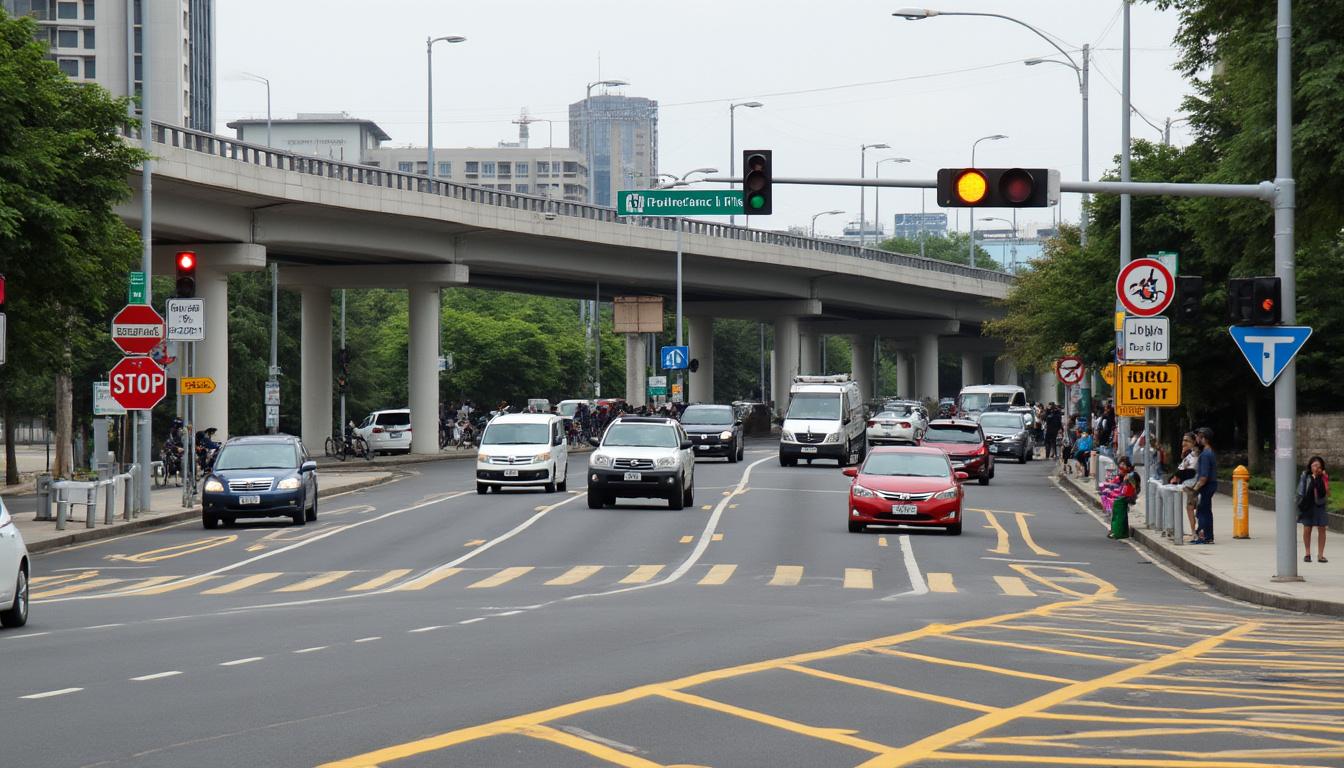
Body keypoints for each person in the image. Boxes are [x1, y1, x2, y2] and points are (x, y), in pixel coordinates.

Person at [1298, 456, 1329, 563]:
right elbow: (1301, 492)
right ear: (1310, 466)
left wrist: (1321, 478)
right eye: (1314, 465)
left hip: (1320, 505)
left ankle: (1321, 555)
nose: (1316, 468)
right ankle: (1307, 553)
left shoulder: (1323, 476)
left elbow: (1326, 492)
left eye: (1319, 466)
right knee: (1307, 528)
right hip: (1308, 504)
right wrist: (1313, 478)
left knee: (1322, 528)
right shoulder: (1305, 476)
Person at [1190, 427, 1218, 544]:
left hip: (1206, 486)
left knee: (1202, 511)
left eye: (1198, 436)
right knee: (1206, 510)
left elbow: (1203, 477)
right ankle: (1208, 536)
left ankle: (1204, 536)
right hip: (1210, 485)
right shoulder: (1208, 452)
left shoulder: (1205, 455)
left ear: (1204, 439)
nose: (1196, 438)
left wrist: (1194, 490)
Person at [1169, 432, 1200, 537]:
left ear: (1194, 442)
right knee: (1190, 508)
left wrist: (1178, 475)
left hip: (1194, 486)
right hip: (1188, 485)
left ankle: (1197, 531)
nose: (1184, 443)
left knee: (1193, 508)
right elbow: (1181, 469)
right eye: (1183, 440)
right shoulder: (1189, 454)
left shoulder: (1196, 454)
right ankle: (1194, 531)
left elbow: (1190, 470)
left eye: (1187, 440)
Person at [1107, 457, 1139, 539]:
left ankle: (1117, 532)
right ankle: (1122, 531)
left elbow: (1134, 488)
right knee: (1118, 507)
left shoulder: (1131, 475)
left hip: (1129, 495)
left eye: (1123, 465)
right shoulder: (1121, 475)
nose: (1121, 467)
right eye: (1120, 464)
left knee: (1118, 505)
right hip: (1123, 494)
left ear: (1128, 467)